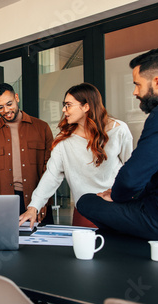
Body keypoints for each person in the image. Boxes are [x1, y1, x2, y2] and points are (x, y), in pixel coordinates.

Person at [77, 48, 158, 245]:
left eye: (137, 84)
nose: (135, 92)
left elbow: (131, 178)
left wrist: (116, 195)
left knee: (87, 202)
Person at [19, 83, 133, 228]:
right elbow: (52, 175)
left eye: (68, 105)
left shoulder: (119, 130)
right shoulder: (64, 139)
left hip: (116, 208)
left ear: (86, 106)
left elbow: (130, 168)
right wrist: (33, 207)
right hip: (84, 211)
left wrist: (121, 193)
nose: (63, 110)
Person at [0, 83, 54, 224]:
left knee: (43, 244)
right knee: (8, 245)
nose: (6, 110)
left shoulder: (42, 128)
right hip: (4, 204)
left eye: (9, 104)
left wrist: (42, 201)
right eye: (0, 107)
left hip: (36, 201)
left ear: (17, 98)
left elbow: (50, 168)